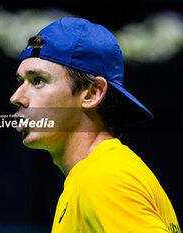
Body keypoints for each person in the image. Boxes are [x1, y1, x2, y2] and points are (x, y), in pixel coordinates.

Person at [10, 17, 180, 233]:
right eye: (20, 82)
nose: (16, 97)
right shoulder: (92, 176)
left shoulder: (103, 179)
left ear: (91, 93)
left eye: (38, 81)